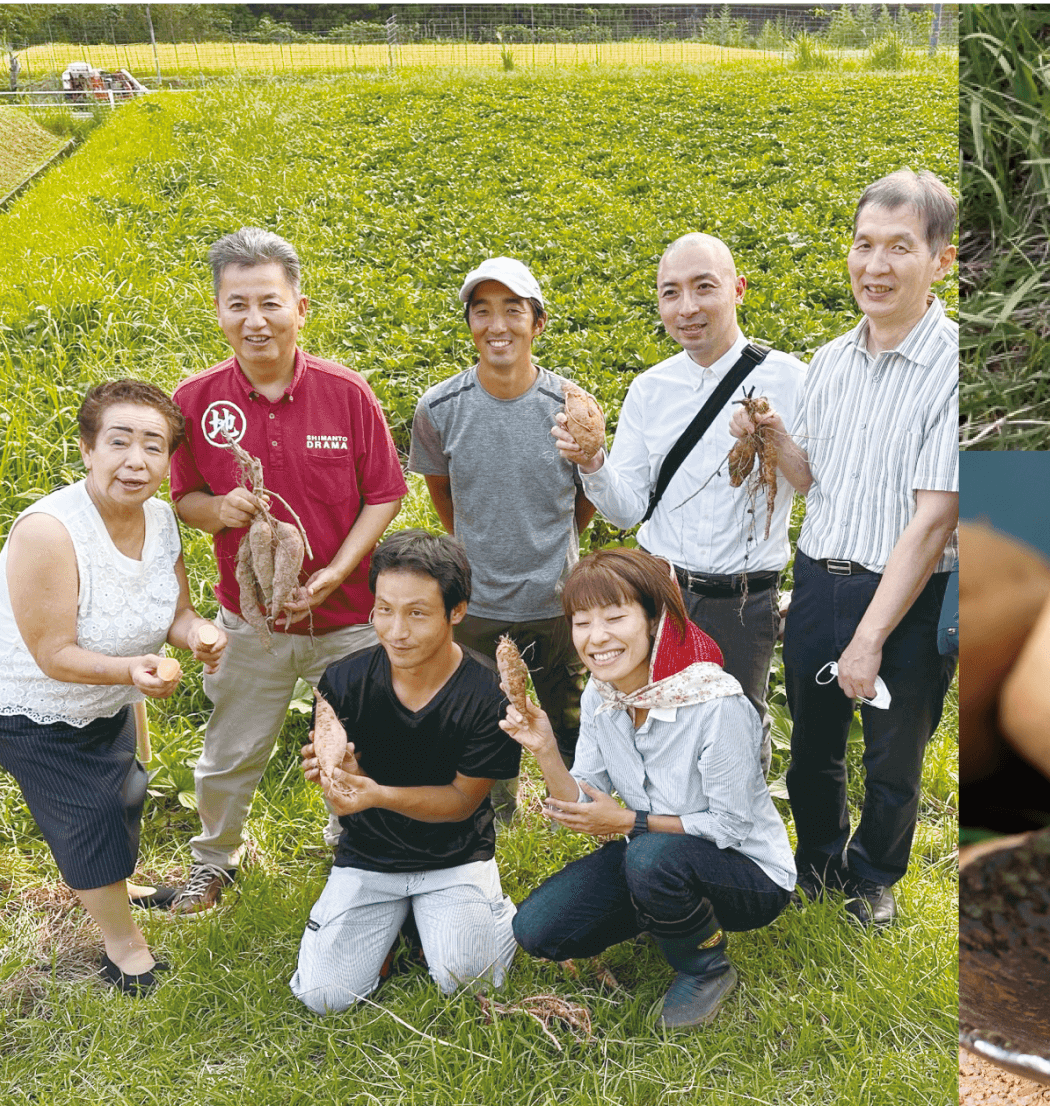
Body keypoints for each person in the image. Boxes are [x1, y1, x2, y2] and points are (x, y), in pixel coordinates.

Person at [144, 227, 408, 915]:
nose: (254, 320)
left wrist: (335, 572)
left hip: (347, 617)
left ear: (301, 308)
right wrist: (219, 507)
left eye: (269, 302)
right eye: (238, 304)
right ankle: (215, 860)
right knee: (230, 751)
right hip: (249, 620)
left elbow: (385, 493)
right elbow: (183, 499)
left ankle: (352, 846)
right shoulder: (195, 400)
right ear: (218, 311)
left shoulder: (347, 394)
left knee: (358, 744)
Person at [730, 170, 959, 928]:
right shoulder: (828, 360)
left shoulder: (954, 367)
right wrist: (773, 437)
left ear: (942, 260)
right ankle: (820, 861)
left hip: (907, 592)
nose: (877, 265)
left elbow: (932, 521)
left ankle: (873, 879)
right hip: (821, 578)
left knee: (892, 759)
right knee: (814, 748)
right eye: (865, 245)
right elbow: (811, 478)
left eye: (900, 247)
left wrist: (869, 639)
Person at [0, 379, 226, 995]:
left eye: (153, 446)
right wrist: (133, 671)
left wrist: (199, 632)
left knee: (125, 788)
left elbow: (174, 614)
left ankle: (115, 881)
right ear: (87, 448)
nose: (137, 461)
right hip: (23, 700)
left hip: (103, 690)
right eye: (119, 441)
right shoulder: (49, 531)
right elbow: (53, 655)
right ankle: (124, 949)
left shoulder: (160, 517)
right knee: (90, 812)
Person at [506, 548, 794, 1030]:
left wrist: (629, 823)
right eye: (581, 622)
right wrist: (546, 750)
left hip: (748, 873)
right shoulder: (603, 692)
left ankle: (705, 967)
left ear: (655, 621)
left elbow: (730, 825)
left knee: (649, 856)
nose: (596, 638)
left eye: (615, 617)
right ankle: (665, 910)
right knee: (537, 930)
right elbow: (585, 799)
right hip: (657, 855)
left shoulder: (716, 706)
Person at [555, 234, 805, 771]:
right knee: (658, 717)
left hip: (745, 597)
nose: (687, 307)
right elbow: (625, 510)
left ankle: (732, 843)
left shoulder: (793, 379)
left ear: (737, 289)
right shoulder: (651, 389)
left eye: (703, 287)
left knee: (737, 722)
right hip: (660, 588)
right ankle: (661, 832)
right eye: (671, 293)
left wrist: (775, 440)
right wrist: (593, 462)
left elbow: (821, 488)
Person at [289, 529, 522, 1013]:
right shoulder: (343, 681)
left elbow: (462, 802)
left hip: (455, 858)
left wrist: (376, 793)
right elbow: (342, 799)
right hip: (369, 857)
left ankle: (482, 910)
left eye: (417, 613)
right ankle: (398, 929)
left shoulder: (488, 694)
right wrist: (343, 778)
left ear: (456, 612)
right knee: (323, 997)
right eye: (384, 609)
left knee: (469, 983)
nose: (396, 631)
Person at [410, 258, 595, 820]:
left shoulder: (572, 406)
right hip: (478, 603)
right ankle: (496, 807)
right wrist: (476, 547)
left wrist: (553, 545)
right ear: (468, 323)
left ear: (537, 323)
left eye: (513, 311)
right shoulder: (439, 409)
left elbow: (588, 493)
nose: (498, 326)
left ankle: (581, 802)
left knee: (570, 712)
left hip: (556, 598)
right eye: (482, 311)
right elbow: (445, 495)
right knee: (486, 712)